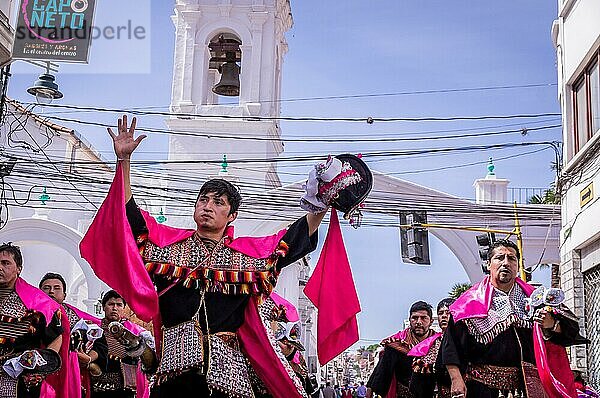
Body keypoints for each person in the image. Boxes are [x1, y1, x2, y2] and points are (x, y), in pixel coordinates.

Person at [80, 116, 366, 398]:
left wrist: (322, 201)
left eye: (218, 202)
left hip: (227, 380)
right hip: (172, 376)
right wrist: (123, 162)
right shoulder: (166, 246)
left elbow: (293, 239)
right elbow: (127, 217)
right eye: (203, 200)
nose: (208, 206)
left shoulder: (248, 258)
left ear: (232, 216)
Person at [441, 239, 588, 397]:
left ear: (518, 266)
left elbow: (571, 328)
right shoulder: (468, 304)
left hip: (529, 387)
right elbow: (451, 346)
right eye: (499, 258)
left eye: (511, 258)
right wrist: (456, 378)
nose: (506, 263)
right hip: (483, 387)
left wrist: (551, 323)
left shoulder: (537, 298)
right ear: (489, 265)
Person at [0, 243, 69, 398]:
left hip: (19, 381)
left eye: (5, 263)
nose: (0, 267)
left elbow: (56, 337)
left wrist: (38, 365)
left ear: (19, 269)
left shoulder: (38, 302)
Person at [39, 272, 109, 398]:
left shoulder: (77, 318)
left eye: (56, 288)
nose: (51, 292)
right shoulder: (32, 314)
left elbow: (100, 342)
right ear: (39, 292)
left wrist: (88, 358)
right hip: (39, 372)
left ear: (64, 295)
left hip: (72, 374)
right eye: (46, 288)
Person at [91, 290, 155, 398]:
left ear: (123, 308)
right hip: (98, 385)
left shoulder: (136, 332)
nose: (115, 308)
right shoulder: (93, 330)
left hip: (126, 387)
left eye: (119, 305)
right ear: (103, 307)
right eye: (111, 304)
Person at [366, 301, 435, 398]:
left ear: (431, 321)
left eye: (423, 318)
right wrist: (371, 391)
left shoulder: (439, 343)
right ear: (410, 320)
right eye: (415, 318)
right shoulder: (396, 345)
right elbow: (383, 373)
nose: (419, 322)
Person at [407, 298, 454, 398]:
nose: (444, 316)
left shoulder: (464, 340)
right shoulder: (431, 343)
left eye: (449, 312)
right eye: (441, 313)